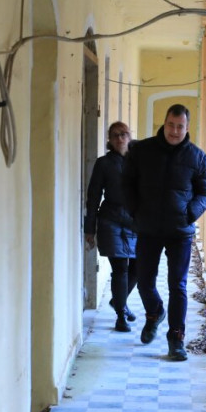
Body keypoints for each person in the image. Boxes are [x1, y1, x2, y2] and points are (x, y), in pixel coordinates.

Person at [122, 104, 206, 361]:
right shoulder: (142, 151)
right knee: (145, 281)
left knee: (178, 285)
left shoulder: (198, 158)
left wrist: (189, 213)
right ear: (164, 123)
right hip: (148, 228)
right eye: (171, 125)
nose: (174, 131)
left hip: (180, 232)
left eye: (180, 127)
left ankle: (176, 339)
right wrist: (135, 211)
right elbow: (127, 182)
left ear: (187, 127)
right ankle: (154, 313)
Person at [83, 122, 139, 332]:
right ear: (109, 139)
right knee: (120, 268)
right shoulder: (103, 164)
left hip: (135, 220)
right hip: (111, 219)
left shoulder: (140, 160)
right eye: (115, 135)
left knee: (139, 267)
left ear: (130, 136)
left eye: (123, 134)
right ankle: (121, 316)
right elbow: (93, 196)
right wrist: (90, 229)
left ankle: (118, 300)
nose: (120, 138)